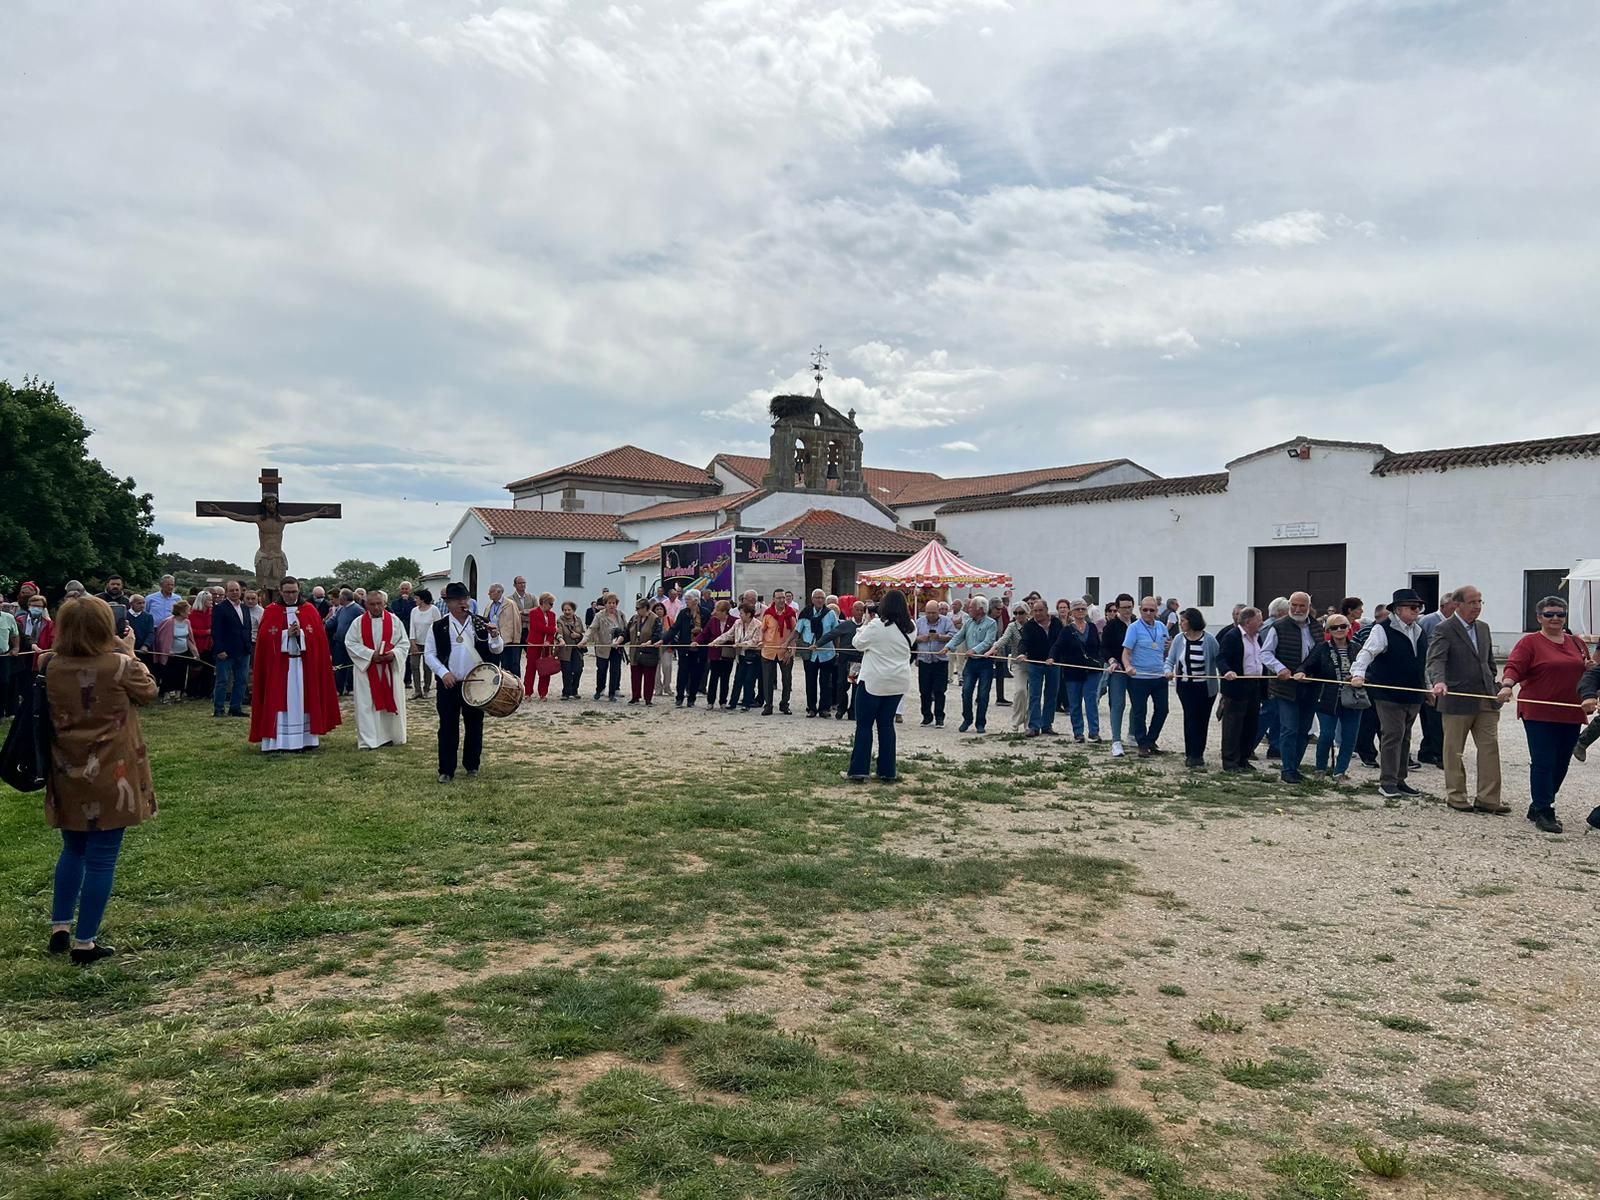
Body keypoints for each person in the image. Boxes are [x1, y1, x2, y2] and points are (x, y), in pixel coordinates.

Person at [39, 597, 157, 966]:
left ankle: (61, 926)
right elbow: (150, 691)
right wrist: (129, 650)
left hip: (66, 769)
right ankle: (85, 942)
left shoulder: (51, 665)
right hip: (111, 772)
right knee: (103, 858)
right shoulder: (119, 666)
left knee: (72, 849)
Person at [1498, 595, 1586, 833]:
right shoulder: (1530, 643)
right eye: (1549, 614)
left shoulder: (1577, 643)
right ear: (1539, 618)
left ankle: (1538, 804)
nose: (1555, 618)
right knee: (1544, 762)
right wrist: (1507, 685)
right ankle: (1545, 810)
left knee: (1561, 763)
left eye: (1560, 614)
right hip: (1539, 711)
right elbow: (1514, 666)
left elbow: (1586, 671)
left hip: (1571, 711)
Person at [1420, 585, 1508, 813]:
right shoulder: (1444, 629)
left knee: (1490, 748)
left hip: (1486, 699)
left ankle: (1489, 799)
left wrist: (1493, 683)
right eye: (1472, 602)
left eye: (1480, 601)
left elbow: (1488, 662)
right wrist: (1439, 681)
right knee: (1454, 750)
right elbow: (1435, 660)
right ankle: (1456, 796)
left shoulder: (1483, 628)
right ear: (1456, 605)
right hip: (1457, 699)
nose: (1477, 607)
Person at [1350, 588, 1430, 799]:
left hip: (1413, 693)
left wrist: (1428, 687)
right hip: (1388, 692)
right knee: (1392, 735)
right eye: (1413, 607)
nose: (1417, 611)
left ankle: (1400, 779)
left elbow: (1423, 663)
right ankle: (1387, 782)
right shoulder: (1381, 629)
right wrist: (1357, 674)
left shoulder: (1419, 630)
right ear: (1399, 609)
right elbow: (1367, 652)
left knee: (1405, 737)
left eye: (1419, 607)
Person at [250, 577, 341, 753]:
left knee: (305, 699)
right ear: (280, 591)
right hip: (279, 668)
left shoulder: (309, 610)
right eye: (287, 592)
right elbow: (265, 641)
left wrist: (301, 636)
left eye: (294, 592)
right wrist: (285, 635)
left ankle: (306, 739)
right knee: (278, 700)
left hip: (303, 666)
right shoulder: (271, 611)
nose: (291, 596)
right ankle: (279, 741)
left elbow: (318, 640)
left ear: (299, 591)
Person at [425, 581, 503, 783]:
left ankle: (472, 765)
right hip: (449, 684)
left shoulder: (481, 623)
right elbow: (430, 655)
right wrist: (443, 673)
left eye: (465, 599)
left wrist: (495, 636)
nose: (462, 603)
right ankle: (446, 770)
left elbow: (496, 649)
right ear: (448, 603)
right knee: (448, 727)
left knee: (474, 726)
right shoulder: (438, 626)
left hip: (475, 684)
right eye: (457, 600)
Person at [845, 590, 915, 783]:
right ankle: (887, 770)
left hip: (874, 680)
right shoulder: (911, 627)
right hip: (898, 681)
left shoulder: (876, 625)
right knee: (886, 725)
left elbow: (857, 643)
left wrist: (866, 623)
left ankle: (859, 770)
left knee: (864, 726)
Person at [1259, 591, 1323, 784]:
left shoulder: (1318, 628)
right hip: (1285, 687)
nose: (1297, 609)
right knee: (1289, 729)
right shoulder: (1278, 627)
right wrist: (1281, 668)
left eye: (1301, 605)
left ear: (1308, 607)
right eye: (1293, 605)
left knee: (1304, 730)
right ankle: (1287, 769)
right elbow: (1266, 653)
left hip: (1310, 686)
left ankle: (1295, 766)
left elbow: (1321, 654)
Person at [1298, 613, 1369, 780]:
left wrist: (1362, 678)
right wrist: (1301, 672)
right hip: (1327, 698)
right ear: (1328, 630)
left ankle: (1340, 771)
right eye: (1334, 627)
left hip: (1353, 698)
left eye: (1343, 626)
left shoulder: (1358, 648)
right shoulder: (1321, 648)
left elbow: (1369, 669)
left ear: (1349, 628)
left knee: (1350, 736)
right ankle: (1320, 769)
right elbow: (1307, 664)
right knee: (1327, 735)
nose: (1339, 630)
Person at [344, 588, 408, 749]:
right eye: (372, 604)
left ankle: (392, 735)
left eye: (379, 604)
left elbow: (404, 643)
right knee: (367, 705)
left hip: (389, 670)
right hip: (367, 671)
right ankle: (369, 740)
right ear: (366, 604)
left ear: (385, 603)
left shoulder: (395, 621)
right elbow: (350, 643)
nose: (376, 607)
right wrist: (371, 655)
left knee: (391, 700)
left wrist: (393, 654)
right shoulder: (358, 623)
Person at [1164, 608, 1220, 768]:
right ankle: (1191, 754)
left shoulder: (1209, 640)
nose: (1180, 624)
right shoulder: (1179, 639)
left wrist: (1228, 675)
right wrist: (1167, 671)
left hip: (1205, 687)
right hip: (1185, 686)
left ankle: (1198, 754)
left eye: (1183, 621)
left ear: (1192, 621)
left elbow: (1219, 660)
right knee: (1190, 718)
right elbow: (1170, 660)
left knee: (1202, 720)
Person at [1217, 607, 1268, 772]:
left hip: (1254, 686)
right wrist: (1227, 671)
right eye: (1259, 620)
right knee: (1233, 726)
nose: (1262, 623)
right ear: (1248, 622)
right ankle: (1230, 761)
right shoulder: (1232, 636)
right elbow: (1221, 657)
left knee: (1250, 724)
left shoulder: (1258, 638)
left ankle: (1243, 759)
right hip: (1236, 687)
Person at [1122, 596, 1171, 756]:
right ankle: (1142, 743)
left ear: (1157, 611)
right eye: (1145, 610)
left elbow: (1166, 651)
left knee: (1163, 709)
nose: (1148, 613)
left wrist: (1169, 652)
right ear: (1140, 610)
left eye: (1152, 610)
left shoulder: (1162, 627)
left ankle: (1151, 739)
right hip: (1139, 678)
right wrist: (1128, 666)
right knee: (1139, 711)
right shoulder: (1134, 628)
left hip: (1159, 676)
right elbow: (1126, 652)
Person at [948, 596, 999, 734]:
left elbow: (989, 642)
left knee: (983, 695)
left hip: (985, 663)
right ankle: (967, 719)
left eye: (971, 607)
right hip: (971, 663)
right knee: (966, 692)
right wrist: (948, 647)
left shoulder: (991, 623)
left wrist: (975, 650)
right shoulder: (969, 622)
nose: (968, 609)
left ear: (980, 610)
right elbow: (959, 636)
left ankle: (980, 723)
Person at [1055, 600, 1102, 742]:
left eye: (1083, 609)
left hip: (1091, 670)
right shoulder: (1066, 630)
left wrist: (1100, 661)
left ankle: (1094, 732)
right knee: (1074, 703)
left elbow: (1099, 646)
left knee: (1091, 701)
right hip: (1073, 671)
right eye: (1077, 609)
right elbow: (1058, 646)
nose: (1080, 611)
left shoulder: (1092, 627)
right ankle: (1078, 732)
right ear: (1072, 612)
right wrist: (1052, 658)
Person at [209, 579, 254, 719]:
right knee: (222, 681)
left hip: (243, 651)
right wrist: (220, 649)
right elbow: (216, 631)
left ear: (241, 591)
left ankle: (235, 707)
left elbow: (247, 628)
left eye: (237, 590)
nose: (235, 593)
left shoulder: (245, 608)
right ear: (226, 592)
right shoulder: (220, 608)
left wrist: (248, 647)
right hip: (226, 652)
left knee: (241, 681)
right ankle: (219, 709)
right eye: (231, 590)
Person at [1020, 599, 1062, 737]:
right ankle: (1033, 726)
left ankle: (1047, 724)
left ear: (1046, 610)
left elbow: (1059, 642)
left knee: (1051, 694)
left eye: (1040, 610)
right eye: (1035, 611)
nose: (1037, 613)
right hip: (1035, 663)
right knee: (1035, 695)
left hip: (1054, 664)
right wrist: (1021, 653)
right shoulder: (1029, 626)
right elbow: (1024, 641)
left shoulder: (1056, 623)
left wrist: (1053, 657)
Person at [712, 600, 764, 711]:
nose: (739, 615)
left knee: (749, 680)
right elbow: (728, 635)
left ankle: (747, 703)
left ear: (748, 614)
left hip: (753, 656)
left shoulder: (758, 625)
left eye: (741, 613)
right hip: (740, 655)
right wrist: (716, 642)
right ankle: (733, 703)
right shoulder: (737, 623)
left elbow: (755, 641)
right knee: (738, 679)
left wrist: (741, 644)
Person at [1256, 596, 1291, 760]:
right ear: (1283, 612)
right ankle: (1250, 744)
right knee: (1269, 712)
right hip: (1271, 677)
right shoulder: (1272, 628)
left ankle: (1275, 747)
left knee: (1276, 712)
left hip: (1275, 677)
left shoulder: (1267, 626)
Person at [1098, 595, 1133, 756]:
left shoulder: (1136, 623)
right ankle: (1116, 740)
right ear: (1117, 608)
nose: (1127, 610)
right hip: (1118, 668)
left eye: (1130, 607)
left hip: (1135, 669)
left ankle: (1133, 734)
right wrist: (1112, 660)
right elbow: (1104, 647)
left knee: (1138, 703)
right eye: (1124, 607)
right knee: (1118, 704)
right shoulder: (1111, 626)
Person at [991, 602, 1032, 731]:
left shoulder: (1033, 625)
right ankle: (1016, 721)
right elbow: (1004, 639)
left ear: (1027, 613)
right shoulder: (1012, 626)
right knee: (1020, 691)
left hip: (1034, 663)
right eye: (1015, 613)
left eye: (1021, 613)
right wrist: (994, 648)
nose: (1018, 615)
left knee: (1032, 695)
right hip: (1018, 664)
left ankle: (1029, 723)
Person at [914, 599, 955, 727]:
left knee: (939, 690)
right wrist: (920, 639)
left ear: (938, 611)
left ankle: (939, 717)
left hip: (940, 661)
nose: (931, 615)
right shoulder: (919, 622)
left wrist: (939, 637)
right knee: (924, 690)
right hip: (924, 660)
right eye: (928, 612)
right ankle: (926, 716)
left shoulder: (946, 621)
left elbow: (954, 636)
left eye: (933, 612)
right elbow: (911, 638)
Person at [797, 589, 837, 717]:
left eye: (822, 598)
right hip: (810, 654)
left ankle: (824, 708)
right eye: (817, 598)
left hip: (827, 653)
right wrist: (787, 643)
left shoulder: (830, 614)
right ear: (812, 599)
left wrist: (838, 650)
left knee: (826, 682)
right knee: (810, 681)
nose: (820, 600)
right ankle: (811, 708)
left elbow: (836, 632)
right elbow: (797, 631)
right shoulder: (805, 613)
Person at [816, 599, 857, 720]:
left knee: (856, 686)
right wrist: (818, 644)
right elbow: (831, 635)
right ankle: (841, 708)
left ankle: (853, 711)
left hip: (858, 661)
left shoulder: (867, 626)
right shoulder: (845, 625)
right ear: (852, 611)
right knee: (841, 685)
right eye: (857, 609)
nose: (859, 612)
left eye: (861, 610)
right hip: (844, 659)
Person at [665, 589, 707, 708]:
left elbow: (708, 631)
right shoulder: (683, 613)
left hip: (699, 649)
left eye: (687, 599)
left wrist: (701, 631)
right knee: (682, 673)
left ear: (695, 600)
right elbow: (675, 629)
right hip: (685, 648)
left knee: (696, 674)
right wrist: (663, 640)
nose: (686, 601)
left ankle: (691, 698)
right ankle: (679, 697)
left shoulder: (705, 613)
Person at [759, 589, 798, 715]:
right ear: (774, 599)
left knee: (787, 680)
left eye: (783, 598)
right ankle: (768, 705)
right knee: (767, 680)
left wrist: (791, 649)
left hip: (785, 651)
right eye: (779, 598)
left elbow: (795, 632)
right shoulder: (768, 613)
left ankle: (784, 704)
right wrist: (760, 642)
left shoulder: (791, 613)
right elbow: (762, 630)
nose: (781, 600)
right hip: (769, 651)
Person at [585, 594, 627, 700]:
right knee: (602, 669)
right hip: (603, 647)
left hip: (617, 648)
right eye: (609, 603)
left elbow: (626, 630)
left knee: (615, 670)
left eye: (614, 603)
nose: (612, 605)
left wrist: (620, 640)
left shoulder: (621, 615)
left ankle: (612, 693)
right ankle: (599, 690)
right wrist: (584, 640)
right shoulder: (599, 615)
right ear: (605, 604)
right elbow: (592, 628)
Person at [625, 599, 666, 704]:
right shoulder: (634, 618)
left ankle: (648, 698)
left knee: (649, 676)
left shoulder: (655, 619)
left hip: (649, 652)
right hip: (635, 651)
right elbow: (627, 633)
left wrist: (649, 642)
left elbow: (658, 634)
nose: (637, 611)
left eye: (638, 608)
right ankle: (635, 696)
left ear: (645, 608)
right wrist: (619, 640)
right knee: (635, 675)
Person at [152, 599, 193, 702]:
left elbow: (189, 638)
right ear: (181, 611)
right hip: (171, 654)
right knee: (168, 674)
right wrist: (168, 650)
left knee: (181, 673)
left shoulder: (187, 622)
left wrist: (194, 652)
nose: (189, 612)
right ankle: (166, 695)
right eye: (188, 610)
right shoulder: (169, 622)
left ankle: (178, 695)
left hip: (183, 652)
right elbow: (162, 639)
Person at [522, 592, 560, 700]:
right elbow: (538, 627)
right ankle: (528, 692)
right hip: (534, 644)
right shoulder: (534, 613)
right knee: (531, 669)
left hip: (547, 646)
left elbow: (551, 630)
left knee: (545, 669)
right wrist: (553, 630)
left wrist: (548, 640)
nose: (552, 606)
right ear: (544, 602)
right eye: (550, 604)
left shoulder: (552, 615)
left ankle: (543, 693)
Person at [699, 598, 736, 708]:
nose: (715, 612)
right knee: (713, 678)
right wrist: (696, 642)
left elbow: (736, 636)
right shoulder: (713, 620)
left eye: (717, 610)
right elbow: (704, 634)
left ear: (724, 612)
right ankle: (710, 702)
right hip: (714, 654)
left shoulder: (734, 621)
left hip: (727, 654)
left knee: (725, 679)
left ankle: (723, 702)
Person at [326, 588, 360, 696]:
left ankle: (350, 688)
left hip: (352, 644)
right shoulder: (341, 609)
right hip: (339, 642)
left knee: (350, 666)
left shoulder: (357, 609)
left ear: (343, 598)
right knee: (338, 665)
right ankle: (338, 688)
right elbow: (333, 621)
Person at [408, 587, 440, 699]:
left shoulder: (434, 610)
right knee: (414, 666)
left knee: (427, 667)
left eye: (416, 598)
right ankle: (417, 690)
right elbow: (412, 627)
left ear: (422, 599)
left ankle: (426, 689)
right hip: (416, 642)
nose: (415, 600)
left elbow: (438, 627)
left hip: (430, 644)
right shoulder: (414, 611)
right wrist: (412, 643)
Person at [186, 588, 215, 699]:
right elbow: (191, 630)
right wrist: (206, 632)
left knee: (208, 670)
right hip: (197, 645)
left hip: (209, 645)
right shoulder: (193, 614)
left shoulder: (211, 613)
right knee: (196, 670)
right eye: (209, 600)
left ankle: (206, 692)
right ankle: (192, 692)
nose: (211, 602)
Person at [554, 600, 587, 700]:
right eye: (565, 610)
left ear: (573, 610)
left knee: (578, 670)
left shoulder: (579, 620)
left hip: (577, 649)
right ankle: (566, 692)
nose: (567, 612)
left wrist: (578, 635)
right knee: (566, 671)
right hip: (565, 649)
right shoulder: (560, 620)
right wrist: (561, 639)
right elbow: (558, 632)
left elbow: (584, 633)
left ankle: (574, 690)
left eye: (569, 610)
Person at [389, 581, 418, 692]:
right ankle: (398, 678)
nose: (404, 591)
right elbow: (397, 614)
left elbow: (409, 614)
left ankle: (407, 680)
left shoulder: (413, 603)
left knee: (409, 658)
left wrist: (406, 604)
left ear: (410, 590)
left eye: (406, 589)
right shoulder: (395, 603)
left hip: (409, 631)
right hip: (398, 632)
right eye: (403, 588)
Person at [988, 596, 1012, 706]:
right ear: (991, 608)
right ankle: (981, 697)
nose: (999, 611)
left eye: (1001, 609)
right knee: (985, 674)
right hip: (987, 649)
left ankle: (1000, 697)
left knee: (1000, 673)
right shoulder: (986, 619)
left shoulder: (1002, 617)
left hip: (1000, 647)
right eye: (997, 609)